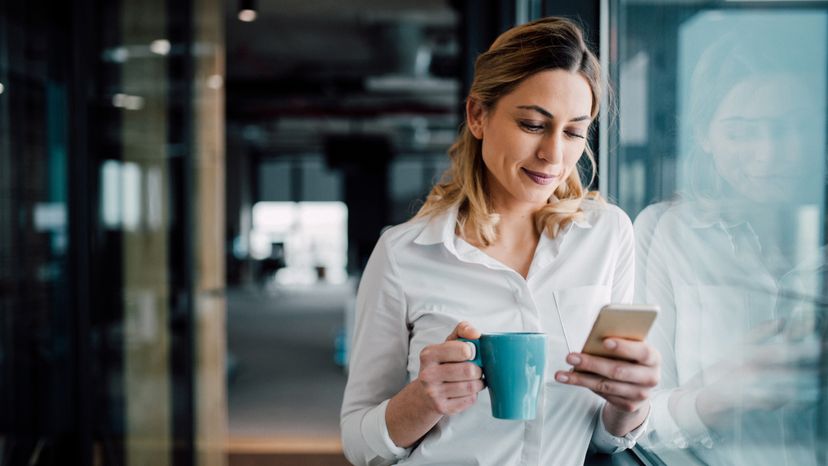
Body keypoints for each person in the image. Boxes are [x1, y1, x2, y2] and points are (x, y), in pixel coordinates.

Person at [341, 17, 660, 465]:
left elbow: (605, 438)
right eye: (533, 124)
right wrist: (424, 399)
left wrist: (631, 403)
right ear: (477, 116)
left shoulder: (607, 234)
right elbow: (358, 445)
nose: (554, 155)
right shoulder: (403, 253)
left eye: (572, 132)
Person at [635, 19, 823, 466]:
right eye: (741, 132)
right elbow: (635, 421)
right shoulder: (665, 233)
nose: (769, 155)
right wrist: (722, 394)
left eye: (793, 128)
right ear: (705, 135)